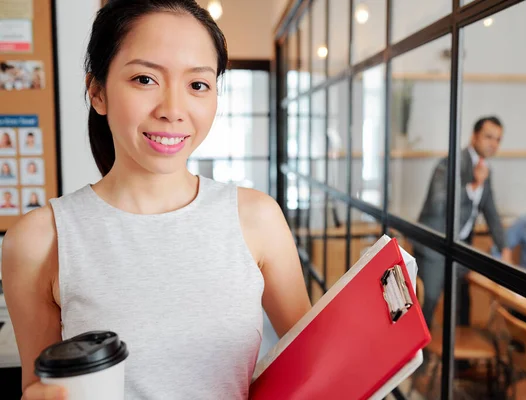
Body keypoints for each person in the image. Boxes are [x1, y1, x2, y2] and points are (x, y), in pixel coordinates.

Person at [1, 1, 311, 399]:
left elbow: (313, 364)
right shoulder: (38, 239)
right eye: (145, 79)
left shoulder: (257, 219)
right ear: (97, 92)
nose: (173, 110)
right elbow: (40, 387)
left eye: (197, 85)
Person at [414, 116, 506, 325]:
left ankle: (457, 358)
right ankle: (419, 358)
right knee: (426, 304)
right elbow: (438, 203)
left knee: (462, 304)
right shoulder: (449, 163)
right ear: (474, 136)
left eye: (498, 139)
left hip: (460, 248)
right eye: (488, 137)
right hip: (435, 247)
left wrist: (505, 248)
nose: (493, 143)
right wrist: (473, 185)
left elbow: (491, 211)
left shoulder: (485, 169)